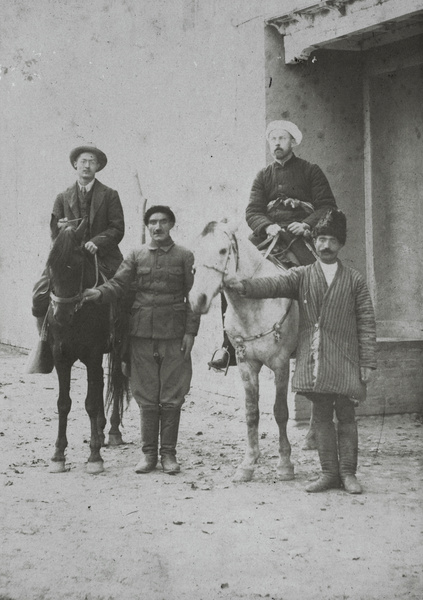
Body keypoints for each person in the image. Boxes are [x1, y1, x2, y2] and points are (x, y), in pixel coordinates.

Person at [224, 209, 377, 494]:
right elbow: (273, 284)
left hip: (344, 358)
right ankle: (328, 473)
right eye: (320, 239)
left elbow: (367, 322)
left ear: (340, 244)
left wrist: (367, 361)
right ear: (314, 242)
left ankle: (348, 473)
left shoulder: (355, 280)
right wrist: (243, 286)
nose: (325, 245)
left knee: (345, 415)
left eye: (331, 239)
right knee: (320, 416)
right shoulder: (302, 275)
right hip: (316, 360)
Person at [209, 119, 338, 371]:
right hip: (267, 236)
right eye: (273, 139)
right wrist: (267, 225)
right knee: (233, 276)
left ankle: (317, 341)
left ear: (292, 142)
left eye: (282, 138)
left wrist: (307, 225)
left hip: (299, 236)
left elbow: (327, 206)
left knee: (314, 279)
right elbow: (252, 211)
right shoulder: (263, 175)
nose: (276, 143)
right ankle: (228, 346)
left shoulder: (311, 170)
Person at [82, 206, 200, 475]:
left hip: (174, 334)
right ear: (147, 227)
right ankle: (148, 455)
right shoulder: (136, 255)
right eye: (152, 223)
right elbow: (119, 284)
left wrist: (191, 332)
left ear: (171, 224)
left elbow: (193, 297)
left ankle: (168, 454)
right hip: (141, 334)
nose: (157, 228)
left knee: (172, 396)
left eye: (162, 222)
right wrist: (98, 293)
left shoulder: (184, 256)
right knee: (146, 395)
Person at [27, 145, 125, 373]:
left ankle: (122, 345)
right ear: (75, 165)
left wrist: (97, 242)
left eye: (92, 161)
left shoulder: (110, 195)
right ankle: (45, 343)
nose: (87, 166)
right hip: (69, 257)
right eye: (83, 161)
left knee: (125, 291)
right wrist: (61, 229)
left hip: (102, 255)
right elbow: (54, 231)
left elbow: (117, 228)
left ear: (98, 167)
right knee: (39, 292)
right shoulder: (62, 197)